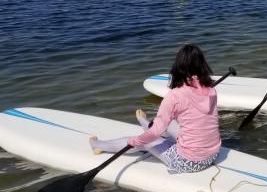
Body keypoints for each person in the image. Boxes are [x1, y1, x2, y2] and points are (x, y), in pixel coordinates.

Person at [89, 44, 220, 174]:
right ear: (202, 64)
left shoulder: (174, 95)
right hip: (213, 154)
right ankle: (146, 123)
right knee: (170, 123)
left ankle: (98, 146)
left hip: (188, 162)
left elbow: (155, 133)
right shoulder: (212, 90)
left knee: (143, 141)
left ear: (178, 66)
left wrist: (134, 141)